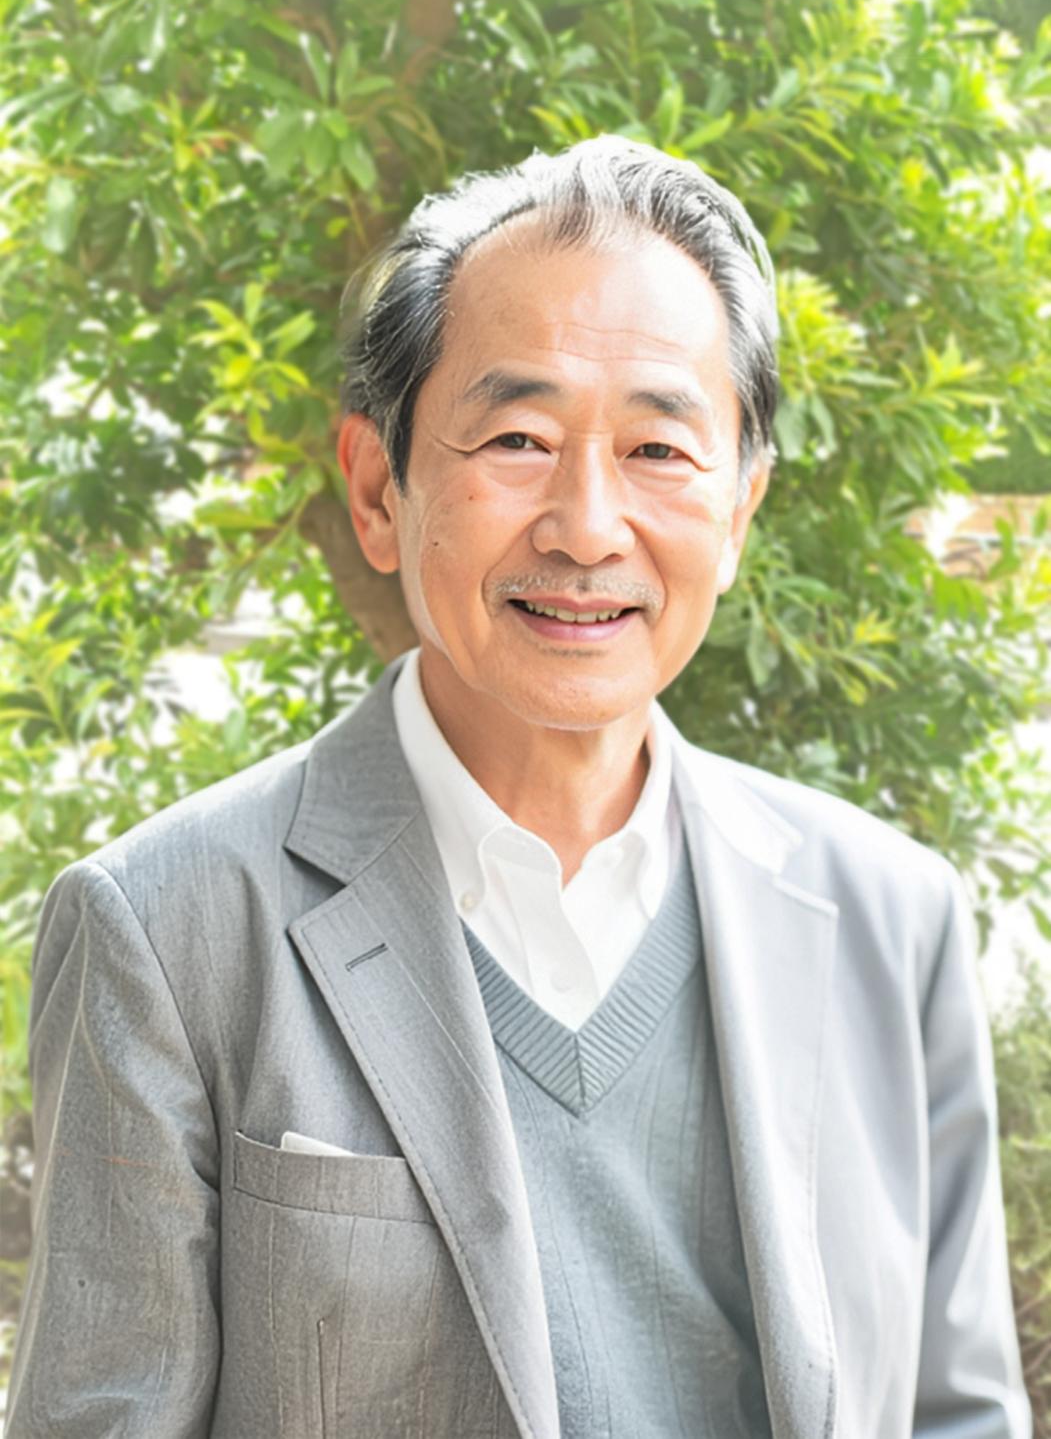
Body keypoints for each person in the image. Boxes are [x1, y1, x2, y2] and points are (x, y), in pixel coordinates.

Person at [7, 138, 1029, 1439]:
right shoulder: (169, 929)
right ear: (378, 491)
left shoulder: (895, 918)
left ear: (739, 510)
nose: (588, 526)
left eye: (659, 448)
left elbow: (956, 1413)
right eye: (518, 438)